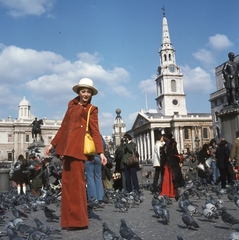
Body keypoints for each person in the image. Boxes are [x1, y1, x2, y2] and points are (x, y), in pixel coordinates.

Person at [45, 78, 107, 231]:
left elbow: (95, 131)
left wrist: (101, 152)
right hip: (66, 151)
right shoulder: (71, 106)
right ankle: (67, 220)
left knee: (78, 186)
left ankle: (78, 221)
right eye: (83, 91)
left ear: (91, 93)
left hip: (79, 151)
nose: (85, 94)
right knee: (66, 185)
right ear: (79, 92)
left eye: (88, 92)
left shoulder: (92, 109)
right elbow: (63, 128)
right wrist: (52, 144)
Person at [160, 133, 185, 198]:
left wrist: (179, 161)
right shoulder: (165, 145)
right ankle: (167, 191)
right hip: (167, 163)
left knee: (173, 177)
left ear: (167, 137)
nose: (163, 138)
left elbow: (175, 153)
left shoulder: (172, 144)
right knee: (167, 178)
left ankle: (173, 191)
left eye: (164, 137)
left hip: (172, 163)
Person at [85, 136, 106, 201]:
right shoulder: (98, 135)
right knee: (98, 177)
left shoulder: (86, 135)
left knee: (90, 177)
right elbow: (104, 145)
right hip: (98, 157)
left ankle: (93, 197)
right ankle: (100, 196)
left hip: (89, 157)